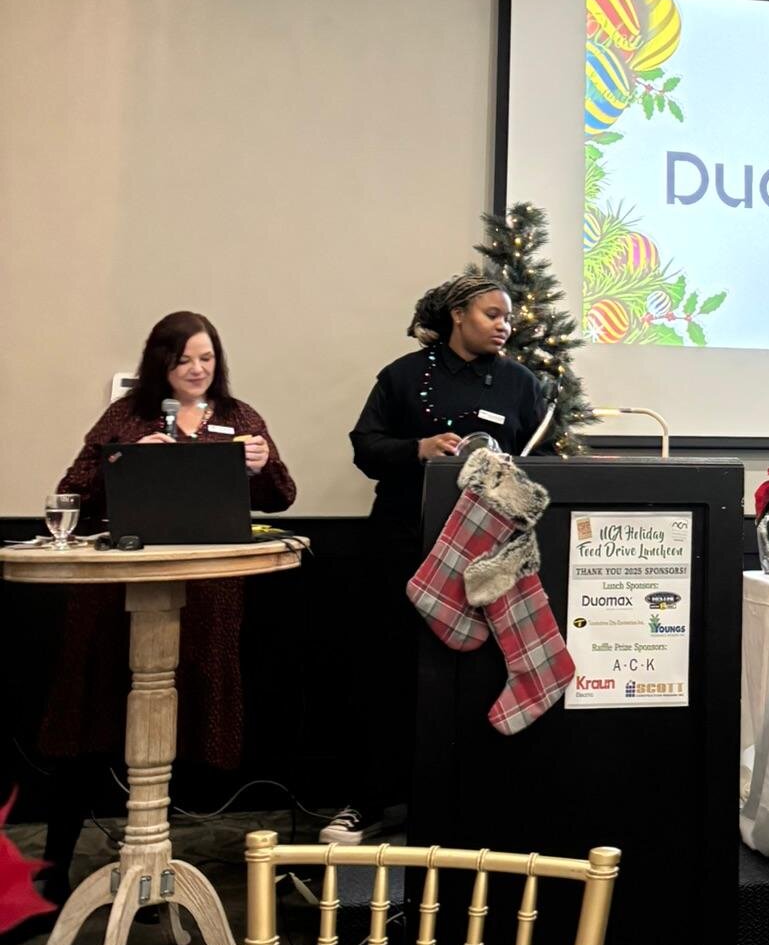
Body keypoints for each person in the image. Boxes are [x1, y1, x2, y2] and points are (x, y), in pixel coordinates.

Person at [34, 311, 295, 905]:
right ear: (161, 363)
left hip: (203, 599)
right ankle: (53, 869)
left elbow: (282, 495)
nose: (197, 370)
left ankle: (149, 873)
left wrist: (263, 467)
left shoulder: (239, 418)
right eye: (183, 360)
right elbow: (71, 489)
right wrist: (125, 457)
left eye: (206, 358)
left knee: (167, 731)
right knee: (91, 724)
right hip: (117, 597)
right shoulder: (128, 416)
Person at [327, 270, 549, 844]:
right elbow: (365, 447)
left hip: (488, 556)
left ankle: (469, 801)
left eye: (508, 318)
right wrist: (417, 448)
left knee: (479, 673)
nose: (504, 326)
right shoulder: (402, 376)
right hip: (404, 544)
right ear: (457, 315)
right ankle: (370, 800)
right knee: (388, 670)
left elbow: (545, 461)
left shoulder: (521, 384)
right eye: (492, 315)